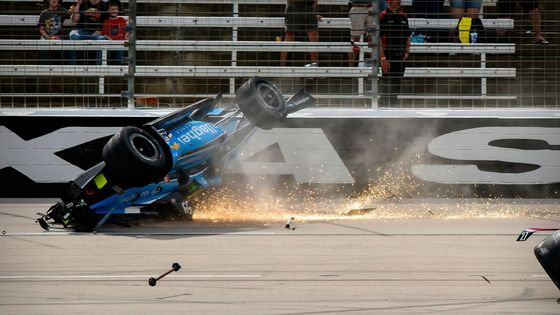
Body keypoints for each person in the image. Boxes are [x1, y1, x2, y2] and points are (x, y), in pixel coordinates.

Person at [379, 0, 410, 106]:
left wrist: (407, 52)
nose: (398, 2)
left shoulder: (403, 16)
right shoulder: (383, 16)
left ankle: (393, 109)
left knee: (396, 85)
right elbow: (377, 38)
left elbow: (407, 36)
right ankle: (383, 109)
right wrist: (383, 58)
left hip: (400, 55)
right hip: (388, 55)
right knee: (387, 85)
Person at [280, 0, 321, 67]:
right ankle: (282, 68)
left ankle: (315, 67)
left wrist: (313, 12)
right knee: (289, 36)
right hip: (294, 6)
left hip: (309, 7)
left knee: (314, 38)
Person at [347, 0, 387, 66]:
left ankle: (373, 68)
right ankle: (350, 71)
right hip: (357, 7)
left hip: (371, 7)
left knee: (373, 39)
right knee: (355, 41)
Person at [69, 0, 108, 65]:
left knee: (102, 39)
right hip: (81, 31)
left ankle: (100, 68)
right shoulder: (82, 3)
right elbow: (75, 20)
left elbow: (106, 22)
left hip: (96, 33)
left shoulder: (104, 5)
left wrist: (101, 31)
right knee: (73, 36)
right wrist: (78, 5)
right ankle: (73, 66)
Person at [38, 0, 73, 64]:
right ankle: (44, 68)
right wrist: (49, 38)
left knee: (66, 46)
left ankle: (63, 68)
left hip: (59, 36)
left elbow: (71, 13)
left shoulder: (62, 10)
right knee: (43, 45)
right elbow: (41, 29)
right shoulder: (44, 13)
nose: (54, 0)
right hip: (46, 36)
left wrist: (72, 9)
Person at [101, 0, 128, 64]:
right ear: (108, 10)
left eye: (116, 9)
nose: (115, 11)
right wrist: (111, 40)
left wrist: (126, 36)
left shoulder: (121, 19)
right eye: (112, 9)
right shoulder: (106, 21)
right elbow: (104, 34)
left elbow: (127, 30)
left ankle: (119, 68)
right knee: (111, 54)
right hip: (111, 43)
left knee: (120, 52)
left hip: (121, 43)